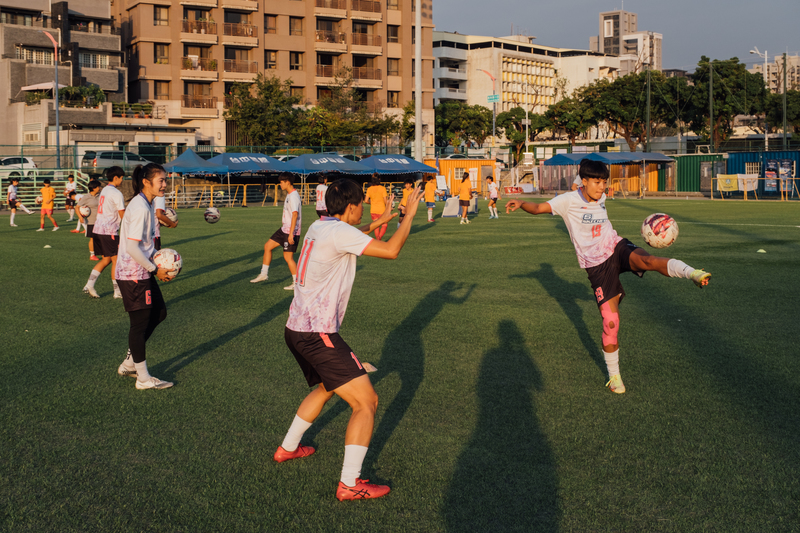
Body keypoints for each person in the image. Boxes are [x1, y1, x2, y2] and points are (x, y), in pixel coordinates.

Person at [506, 159, 711, 394]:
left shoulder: (600, 195)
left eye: (604, 181)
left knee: (647, 260)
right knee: (611, 323)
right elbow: (539, 208)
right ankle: (614, 377)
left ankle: (692, 273)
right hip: (597, 268)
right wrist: (522, 202)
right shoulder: (567, 201)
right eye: (597, 182)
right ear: (583, 182)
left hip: (615, 247)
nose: (602, 187)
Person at [275, 178, 424, 501]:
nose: (365, 209)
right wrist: (409, 215)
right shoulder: (340, 232)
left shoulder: (321, 225)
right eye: (363, 205)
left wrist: (384, 220)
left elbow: (353, 235)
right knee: (366, 402)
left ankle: (288, 448)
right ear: (353, 205)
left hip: (295, 329)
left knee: (327, 386)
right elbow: (392, 250)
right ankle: (350, 483)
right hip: (318, 334)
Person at [115, 163, 175, 390]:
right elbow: (132, 248)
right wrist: (155, 269)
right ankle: (142, 378)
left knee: (159, 313)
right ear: (146, 182)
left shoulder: (146, 204)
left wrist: (161, 262)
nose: (165, 184)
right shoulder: (140, 207)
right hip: (133, 274)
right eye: (161, 180)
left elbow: (145, 245)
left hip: (142, 271)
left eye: (165, 180)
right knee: (139, 325)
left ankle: (130, 363)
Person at [250, 173, 301, 290]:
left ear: (288, 182)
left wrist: (291, 234)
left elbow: (295, 215)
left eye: (282, 182)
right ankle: (263, 274)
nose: (280, 184)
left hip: (290, 232)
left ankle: (296, 283)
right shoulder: (290, 194)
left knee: (288, 258)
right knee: (267, 246)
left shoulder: (293, 196)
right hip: (284, 229)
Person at [84, 167, 126, 299]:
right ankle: (117, 291)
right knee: (116, 260)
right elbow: (122, 213)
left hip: (98, 229)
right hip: (109, 231)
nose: (122, 180)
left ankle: (89, 284)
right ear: (116, 178)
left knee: (107, 259)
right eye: (121, 177)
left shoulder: (104, 191)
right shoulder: (116, 193)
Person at [76, 180, 101, 261]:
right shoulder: (86, 197)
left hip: (101, 221)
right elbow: (77, 207)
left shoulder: (100, 195)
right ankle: (92, 255)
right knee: (92, 238)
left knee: (102, 238)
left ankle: (103, 252)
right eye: (98, 187)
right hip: (91, 221)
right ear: (93, 188)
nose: (99, 188)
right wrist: (80, 217)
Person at [364, 173, 388, 240]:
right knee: (384, 225)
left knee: (376, 226)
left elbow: (366, 200)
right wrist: (389, 207)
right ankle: (379, 237)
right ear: (379, 179)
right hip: (382, 210)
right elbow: (385, 201)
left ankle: (378, 239)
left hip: (373, 210)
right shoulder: (382, 188)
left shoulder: (369, 189)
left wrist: (371, 203)